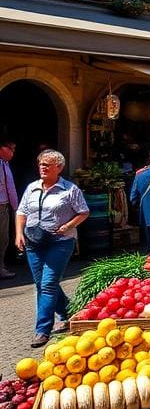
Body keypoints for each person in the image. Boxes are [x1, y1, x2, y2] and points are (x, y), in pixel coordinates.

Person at [15, 150, 89, 347]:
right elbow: (21, 211)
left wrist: (68, 226)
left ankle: (42, 330)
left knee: (47, 284)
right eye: (41, 163)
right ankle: (69, 311)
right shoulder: (32, 188)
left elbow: (83, 211)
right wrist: (19, 233)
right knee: (43, 283)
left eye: (48, 164)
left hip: (60, 242)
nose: (43, 167)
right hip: (34, 243)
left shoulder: (69, 189)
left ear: (59, 167)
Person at [0, 140, 18, 278]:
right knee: (2, 238)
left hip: (4, 205)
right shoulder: (2, 165)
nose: (12, 153)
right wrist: (16, 207)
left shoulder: (4, 164)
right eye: (10, 149)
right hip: (2, 205)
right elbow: (9, 189)